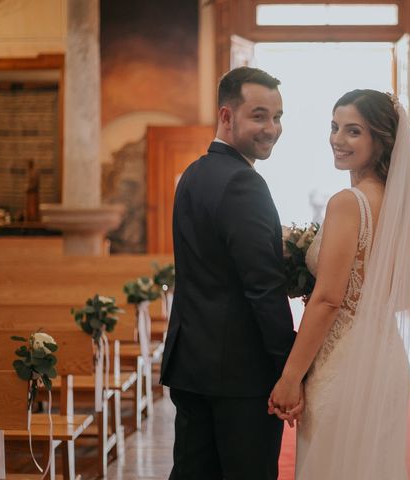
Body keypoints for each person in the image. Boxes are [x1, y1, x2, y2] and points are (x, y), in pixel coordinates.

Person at [269, 90, 410, 479]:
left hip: (343, 361)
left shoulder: (349, 203)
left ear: (380, 140)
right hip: (386, 356)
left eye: (353, 131)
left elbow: (328, 300)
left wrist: (289, 378)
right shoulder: (400, 204)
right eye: (334, 127)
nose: (337, 139)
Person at [161, 66, 297, 480]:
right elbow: (263, 289)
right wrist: (290, 367)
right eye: (259, 115)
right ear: (226, 116)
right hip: (240, 374)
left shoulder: (194, 175)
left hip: (192, 363)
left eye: (277, 117)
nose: (271, 128)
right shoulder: (243, 184)